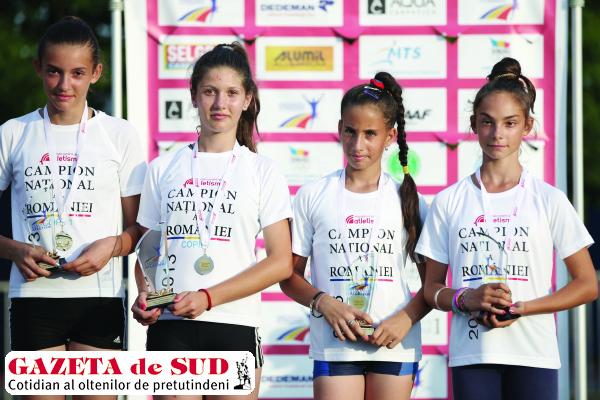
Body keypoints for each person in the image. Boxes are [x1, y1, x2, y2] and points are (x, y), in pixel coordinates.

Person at [416, 57, 598, 400]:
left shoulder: (549, 199)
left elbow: (587, 285)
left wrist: (524, 308)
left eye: (510, 123)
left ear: (527, 125)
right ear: (473, 124)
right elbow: (431, 290)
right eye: (487, 122)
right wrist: (466, 298)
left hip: (534, 354)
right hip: (473, 356)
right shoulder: (449, 200)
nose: (497, 133)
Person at [131, 42, 293, 400]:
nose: (220, 103)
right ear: (194, 96)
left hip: (235, 323)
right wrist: (147, 297)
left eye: (232, 93)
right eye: (210, 92)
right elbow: (148, 252)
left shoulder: (262, 171)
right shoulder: (163, 168)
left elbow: (281, 262)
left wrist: (208, 297)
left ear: (247, 99)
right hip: (171, 327)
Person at [0, 13, 145, 379]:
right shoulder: (13, 133)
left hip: (100, 298)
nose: (65, 84)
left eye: (77, 73)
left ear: (96, 73)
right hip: (33, 297)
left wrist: (111, 247)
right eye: (54, 71)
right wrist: (15, 250)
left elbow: (140, 229)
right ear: (38, 68)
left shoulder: (119, 134)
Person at [280, 72, 430, 400]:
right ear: (339, 129)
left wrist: (405, 319)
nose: (358, 144)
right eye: (350, 131)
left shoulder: (409, 200)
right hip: (335, 346)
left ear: (390, 136)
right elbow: (289, 277)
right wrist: (324, 303)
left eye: (370, 134)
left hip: (393, 344)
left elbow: (433, 285)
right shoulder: (312, 195)